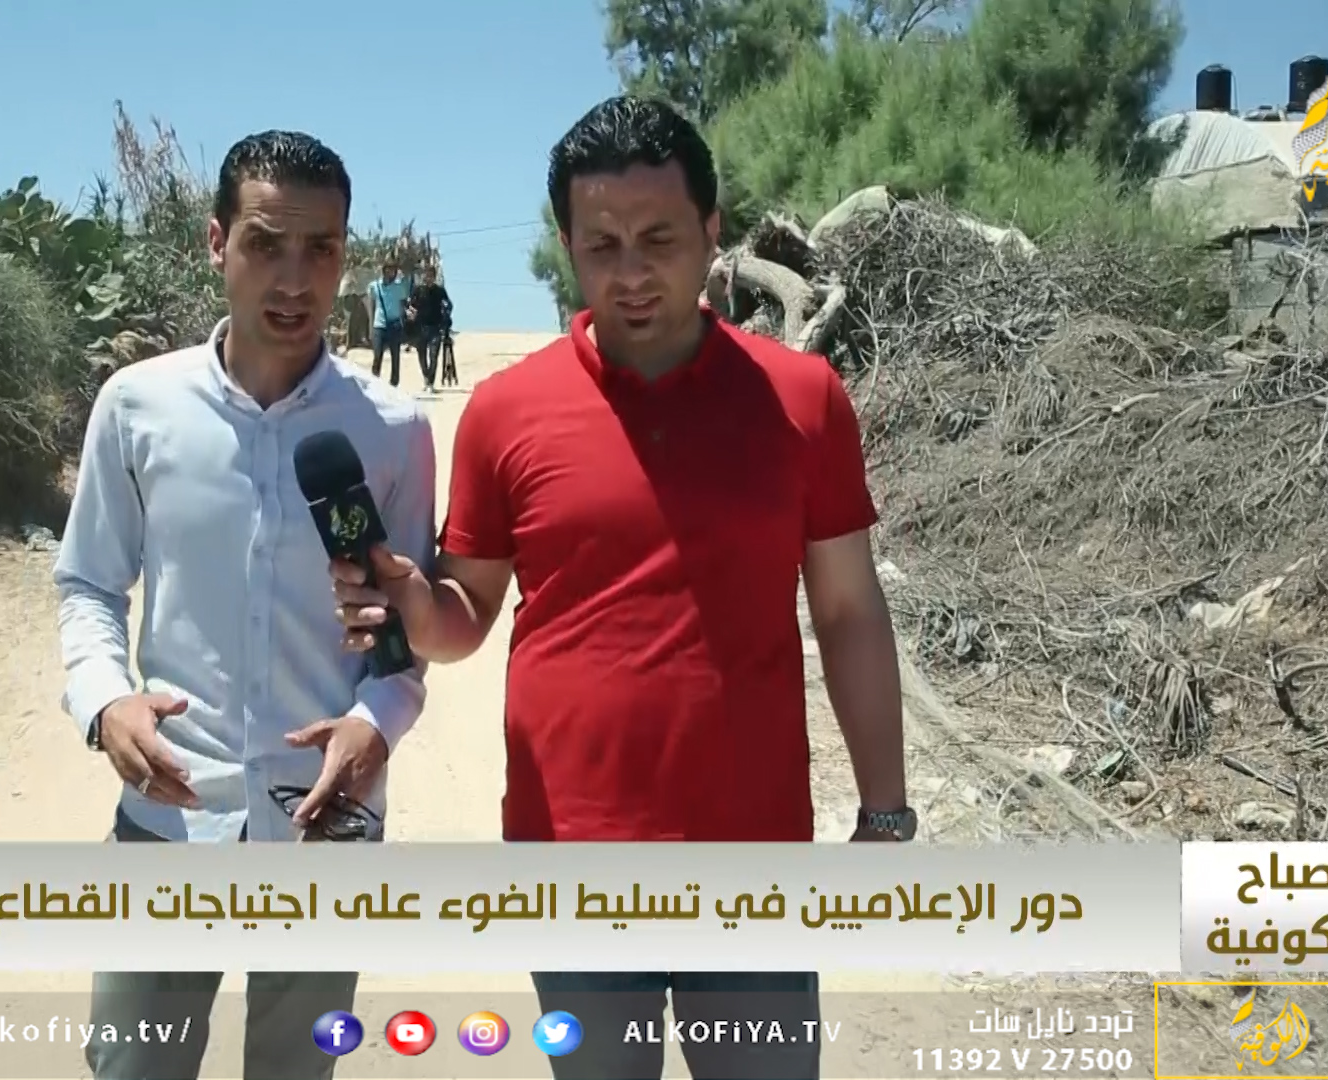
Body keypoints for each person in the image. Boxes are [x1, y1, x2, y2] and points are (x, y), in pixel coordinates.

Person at [326, 95, 910, 1080]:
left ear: (713, 232)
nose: (631, 273)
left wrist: (884, 810)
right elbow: (468, 615)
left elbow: (849, 611)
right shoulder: (507, 411)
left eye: (659, 240)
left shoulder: (801, 399)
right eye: (601, 246)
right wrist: (416, 605)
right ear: (567, 246)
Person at [55, 129, 435, 1080]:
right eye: (266, 244)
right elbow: (89, 582)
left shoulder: (393, 430)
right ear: (216, 242)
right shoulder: (136, 407)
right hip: (168, 820)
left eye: (322, 249)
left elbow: (406, 637)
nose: (295, 280)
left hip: (327, 827)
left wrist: (376, 725)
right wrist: (107, 703)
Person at [407, 264, 454, 395]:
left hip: (435, 327)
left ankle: (431, 383)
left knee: (433, 356)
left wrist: (446, 314)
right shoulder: (417, 290)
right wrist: (411, 312)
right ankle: (426, 378)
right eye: (426, 275)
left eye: (430, 276)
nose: (428, 278)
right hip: (420, 327)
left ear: (434, 277)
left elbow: (449, 305)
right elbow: (410, 305)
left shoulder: (440, 291)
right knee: (421, 356)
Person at [367, 259, 411, 386]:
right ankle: (374, 383)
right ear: (384, 270)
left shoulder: (399, 288)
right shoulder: (374, 286)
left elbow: (403, 305)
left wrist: (405, 320)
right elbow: (371, 306)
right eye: (389, 269)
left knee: (395, 356)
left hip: (395, 324)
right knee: (377, 356)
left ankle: (394, 383)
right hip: (379, 325)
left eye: (393, 270)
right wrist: (370, 327)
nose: (391, 272)